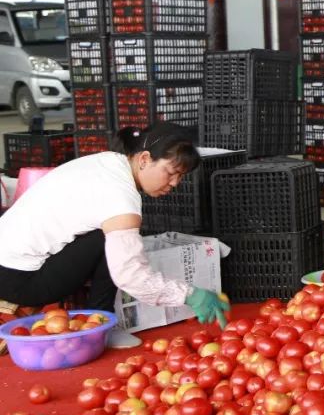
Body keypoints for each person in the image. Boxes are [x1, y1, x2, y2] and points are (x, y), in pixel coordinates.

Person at [0, 123, 230, 336]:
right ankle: (101, 325)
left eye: (180, 177)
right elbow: (130, 276)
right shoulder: (121, 197)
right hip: (20, 280)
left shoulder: (108, 162)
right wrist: (190, 294)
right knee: (108, 240)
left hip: (6, 264)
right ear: (145, 159)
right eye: (170, 173)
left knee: (111, 236)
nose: (174, 184)